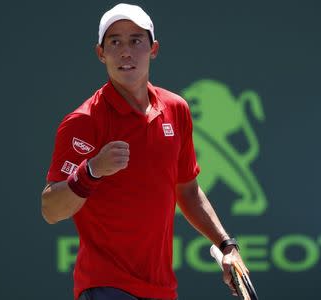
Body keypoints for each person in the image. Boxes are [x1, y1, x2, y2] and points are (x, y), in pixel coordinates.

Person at [42, 3, 249, 300]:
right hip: (105, 285)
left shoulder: (176, 109)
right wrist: (91, 171)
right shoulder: (84, 121)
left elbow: (187, 192)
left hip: (161, 289)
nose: (126, 51)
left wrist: (226, 245)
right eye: (115, 42)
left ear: (153, 49)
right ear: (101, 54)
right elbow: (50, 209)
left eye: (136, 40)